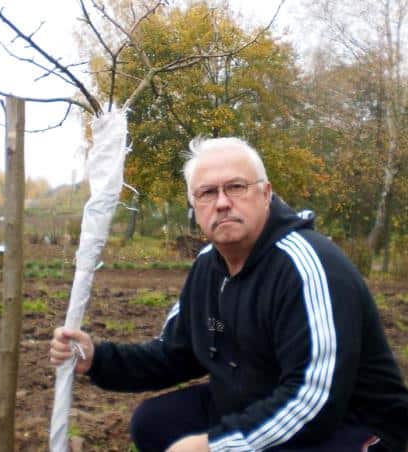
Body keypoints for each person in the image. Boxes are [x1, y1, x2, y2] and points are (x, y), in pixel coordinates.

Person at [49, 137, 408, 451]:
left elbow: (315, 399)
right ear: (194, 207)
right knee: (155, 422)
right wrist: (98, 359)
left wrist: (217, 446)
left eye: (236, 187)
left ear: (265, 194)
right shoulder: (209, 265)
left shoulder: (308, 266)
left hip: (351, 425)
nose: (221, 203)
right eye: (206, 193)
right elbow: (175, 352)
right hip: (256, 400)